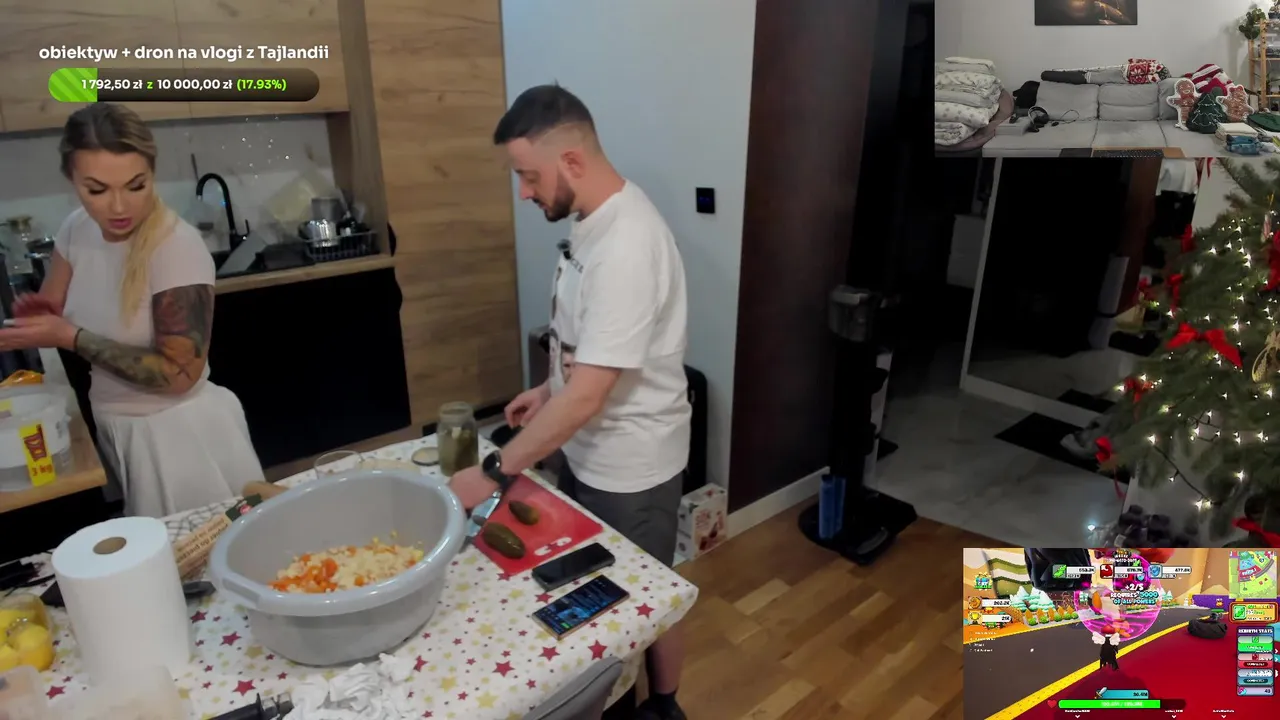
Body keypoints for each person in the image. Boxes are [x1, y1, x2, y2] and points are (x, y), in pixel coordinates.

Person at [449, 85, 692, 720]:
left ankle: (663, 708)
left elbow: (589, 394)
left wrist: (494, 471)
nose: (524, 193)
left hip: (632, 466)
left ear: (573, 161)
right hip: (588, 450)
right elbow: (587, 355)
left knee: (640, 599)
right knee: (607, 598)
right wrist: (546, 389)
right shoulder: (591, 222)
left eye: (529, 177)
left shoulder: (628, 244)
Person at [0, 103, 264, 517]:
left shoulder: (176, 247)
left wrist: (68, 336)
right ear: (72, 179)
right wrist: (42, 312)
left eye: (136, 185)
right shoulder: (76, 229)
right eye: (97, 190)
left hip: (181, 435)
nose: (119, 207)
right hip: (118, 424)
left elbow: (178, 375)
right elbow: (56, 302)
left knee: (208, 550)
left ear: (152, 174)